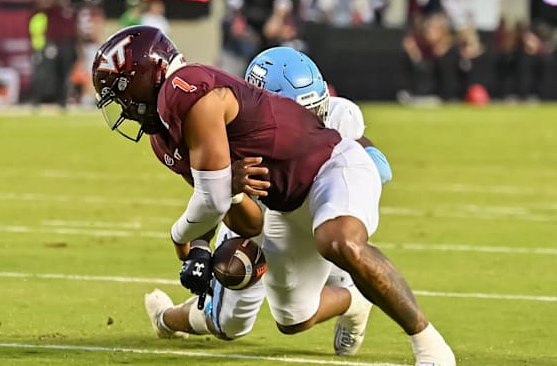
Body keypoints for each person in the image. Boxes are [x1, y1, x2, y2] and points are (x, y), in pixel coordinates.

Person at [91, 26, 455, 365]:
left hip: (328, 170)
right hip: (278, 205)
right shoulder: (166, 136)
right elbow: (243, 216)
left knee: (339, 242)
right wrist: (229, 200)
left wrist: (184, 238)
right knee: (283, 317)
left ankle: (429, 344)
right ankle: (354, 300)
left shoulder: (189, 89)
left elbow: (376, 168)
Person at [143, 46, 393, 354]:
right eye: (299, 113)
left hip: (303, 209)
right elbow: (215, 199)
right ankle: (166, 319)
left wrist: (358, 163)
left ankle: (352, 297)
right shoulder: (236, 126)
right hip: (251, 214)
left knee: (296, 315)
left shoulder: (339, 115)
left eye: (314, 109)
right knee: (228, 322)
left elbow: (379, 169)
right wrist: (200, 244)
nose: (307, 120)